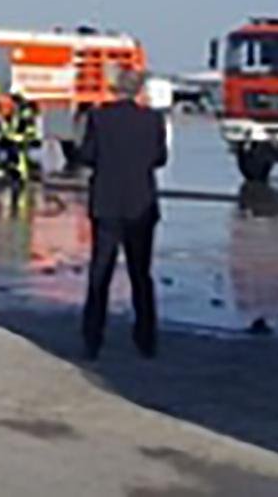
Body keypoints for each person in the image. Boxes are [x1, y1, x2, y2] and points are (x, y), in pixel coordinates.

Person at [76, 66, 168, 359]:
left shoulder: (99, 118)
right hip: (141, 203)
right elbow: (160, 158)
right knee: (141, 274)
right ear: (141, 90)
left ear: (115, 88)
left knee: (100, 272)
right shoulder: (153, 120)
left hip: (106, 202)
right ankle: (146, 339)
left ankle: (93, 338)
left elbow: (87, 156)